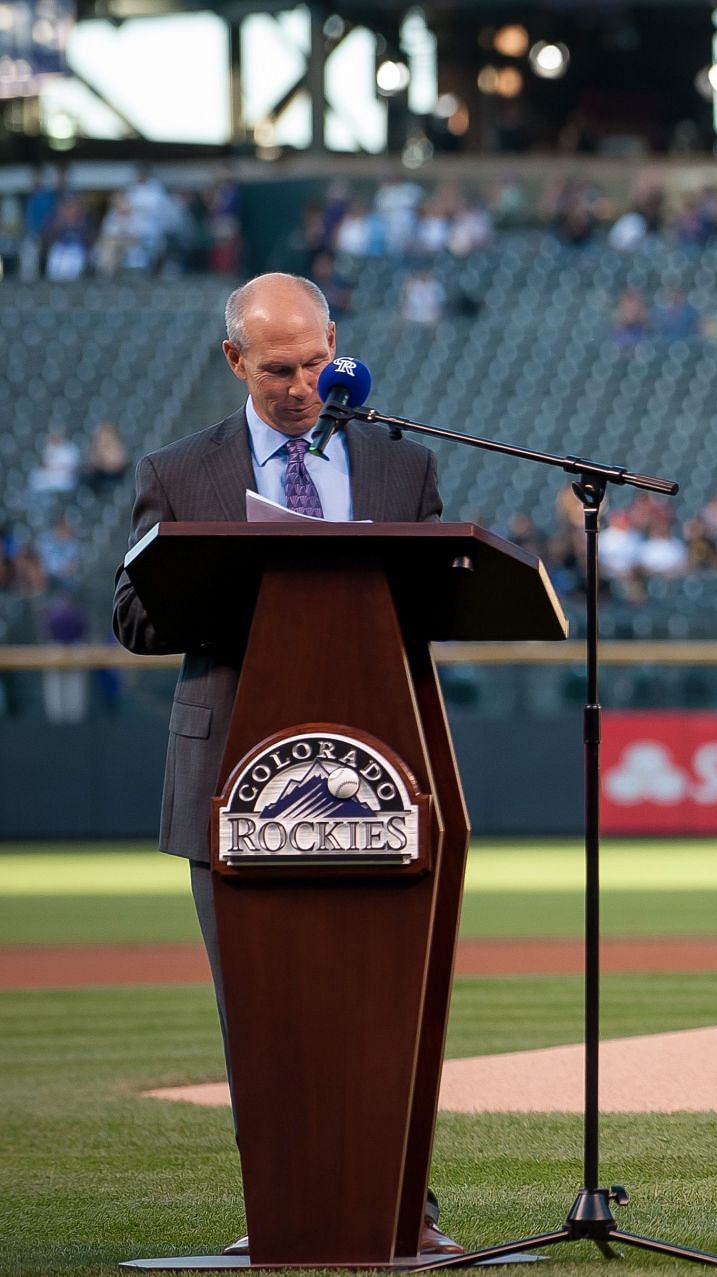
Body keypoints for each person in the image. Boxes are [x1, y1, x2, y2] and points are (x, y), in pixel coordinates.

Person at [110, 273, 458, 1258]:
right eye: (277, 369)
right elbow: (133, 617)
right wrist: (246, 579)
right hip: (234, 775)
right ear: (234, 363)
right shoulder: (179, 472)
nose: (302, 383)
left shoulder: (401, 469)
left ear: (336, 341)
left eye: (314, 360)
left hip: (375, 771)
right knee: (260, 1017)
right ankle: (283, 1214)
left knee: (380, 1006)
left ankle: (405, 1215)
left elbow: (432, 608)